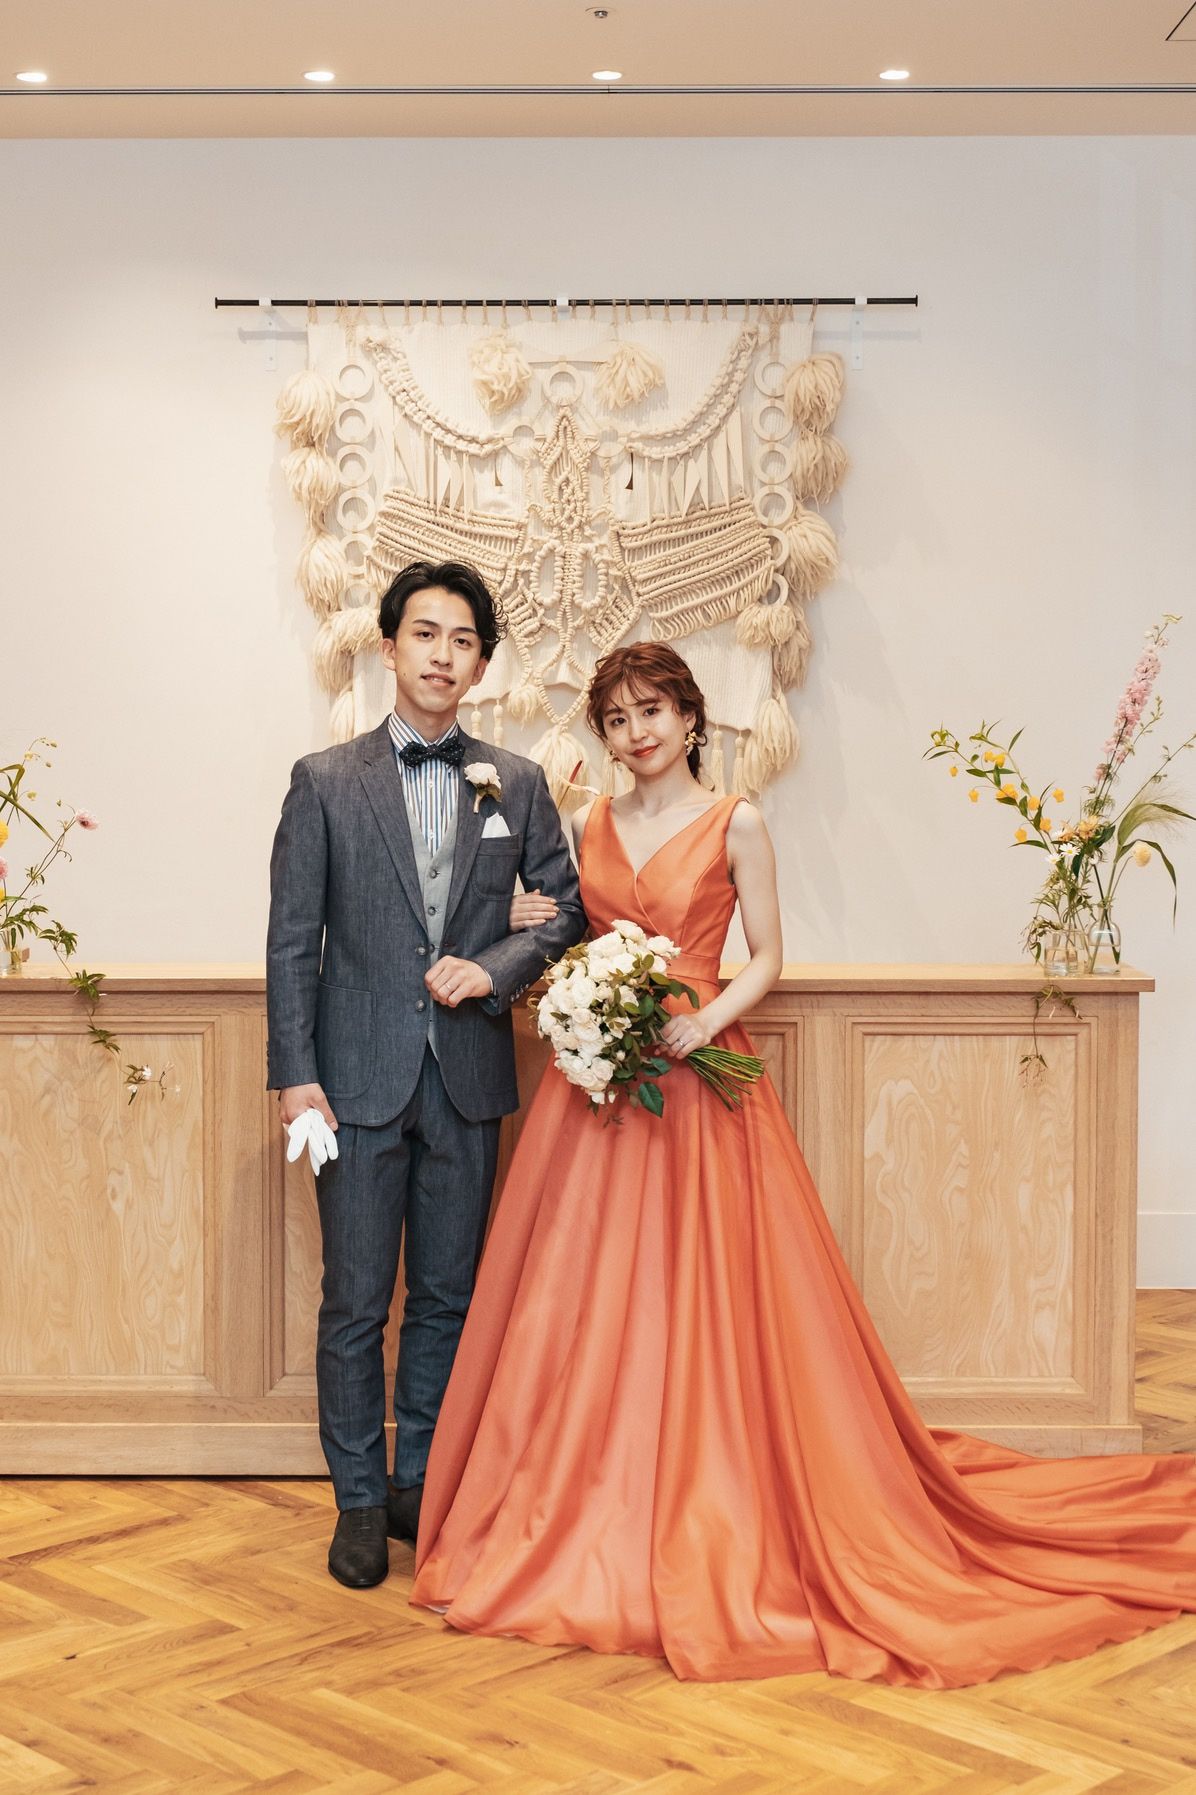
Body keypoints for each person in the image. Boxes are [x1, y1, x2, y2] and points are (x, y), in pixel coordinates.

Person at [410, 640, 1196, 1687]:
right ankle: (584, 1489)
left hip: (695, 1076)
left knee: (705, 1295)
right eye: (618, 719)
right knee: (582, 1296)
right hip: (597, 1087)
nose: (636, 733)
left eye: (652, 711)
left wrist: (705, 1021)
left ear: (691, 718)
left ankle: (707, 1491)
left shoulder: (736, 820)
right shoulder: (588, 821)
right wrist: (548, 946)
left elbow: (771, 955)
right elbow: (570, 930)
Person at [266, 560, 586, 1590]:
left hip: (467, 1080)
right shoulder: (325, 780)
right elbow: (292, 942)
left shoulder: (515, 782)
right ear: (389, 645)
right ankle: (359, 1501)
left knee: (447, 1299)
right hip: (352, 1084)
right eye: (424, 634)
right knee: (356, 1303)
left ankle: (420, 1485)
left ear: (481, 665)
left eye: (462, 641)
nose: (442, 655)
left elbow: (563, 908)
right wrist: (296, 1076)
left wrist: (493, 966)